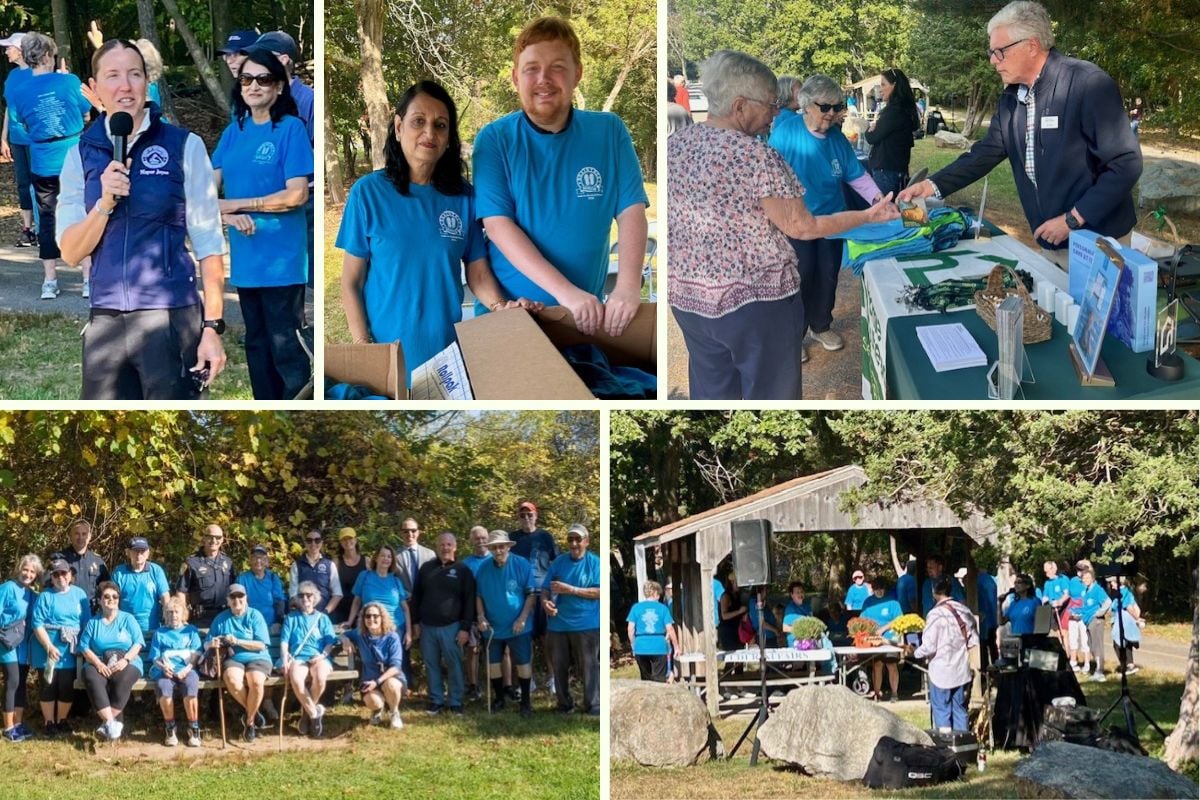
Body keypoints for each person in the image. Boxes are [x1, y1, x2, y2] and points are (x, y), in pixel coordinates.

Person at [668, 51, 897, 400]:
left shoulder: (675, 145)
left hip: (690, 302)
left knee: (714, 394)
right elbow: (801, 227)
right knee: (772, 398)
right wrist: (868, 216)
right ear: (740, 105)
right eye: (771, 103)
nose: (777, 111)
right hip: (755, 307)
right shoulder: (755, 154)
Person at [897, 1, 1141, 268]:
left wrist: (1073, 218)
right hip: (1051, 241)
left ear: (1031, 46)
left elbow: (1126, 163)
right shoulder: (1012, 98)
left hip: (1098, 242)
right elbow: (984, 153)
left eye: (999, 51)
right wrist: (932, 186)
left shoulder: (1087, 84)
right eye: (992, 52)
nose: (992, 60)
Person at [57, 39, 227, 400]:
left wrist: (212, 328)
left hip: (169, 317)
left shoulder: (185, 145)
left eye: (135, 74)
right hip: (105, 320)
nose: (125, 86)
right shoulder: (80, 154)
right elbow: (71, 252)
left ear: (147, 81)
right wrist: (104, 203)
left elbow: (210, 244)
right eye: (113, 75)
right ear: (95, 86)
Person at [338, 81, 539, 385]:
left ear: (449, 138)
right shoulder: (367, 194)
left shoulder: (465, 199)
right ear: (398, 126)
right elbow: (351, 282)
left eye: (440, 125)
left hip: (446, 361)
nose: (429, 133)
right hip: (385, 358)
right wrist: (364, 347)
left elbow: (478, 272)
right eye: (418, 121)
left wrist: (500, 307)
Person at [473, 16, 648, 337]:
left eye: (557, 67)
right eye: (531, 69)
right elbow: (497, 225)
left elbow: (632, 211)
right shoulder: (495, 140)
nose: (544, 78)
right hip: (511, 317)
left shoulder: (609, 132)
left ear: (577, 73)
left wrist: (626, 287)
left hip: (584, 320)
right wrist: (566, 292)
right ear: (515, 78)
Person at [212, 47, 311, 400]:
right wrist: (225, 214)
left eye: (264, 79)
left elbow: (297, 195)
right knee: (256, 345)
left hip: (282, 262)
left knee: (286, 347)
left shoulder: (290, 129)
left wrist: (240, 204)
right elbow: (206, 192)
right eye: (246, 79)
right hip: (246, 262)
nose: (254, 85)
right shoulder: (233, 132)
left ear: (279, 87)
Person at [769, 73, 887, 362]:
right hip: (797, 222)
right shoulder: (786, 131)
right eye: (826, 107)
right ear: (807, 104)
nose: (833, 114)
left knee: (827, 274)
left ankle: (821, 326)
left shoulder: (836, 137)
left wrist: (878, 201)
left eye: (837, 107)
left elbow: (856, 175)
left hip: (832, 220)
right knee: (800, 277)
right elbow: (768, 175)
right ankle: (793, 335)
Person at [8, 32, 91, 300]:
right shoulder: (69, 82)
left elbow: (21, 119)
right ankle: (88, 278)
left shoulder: (18, 91)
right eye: (52, 55)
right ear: (46, 56)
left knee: (47, 218)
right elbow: (86, 110)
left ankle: (50, 281)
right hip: (74, 158)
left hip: (42, 161)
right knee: (84, 214)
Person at [246, 31, 315, 290]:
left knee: (305, 274)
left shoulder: (308, 100)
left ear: (284, 59)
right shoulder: (260, 100)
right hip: (266, 202)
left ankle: (306, 325)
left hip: (301, 203)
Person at [412, 532, 475, 715]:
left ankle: (455, 701)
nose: (445, 548)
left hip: (452, 627)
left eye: (449, 544)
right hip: (427, 627)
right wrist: (416, 622)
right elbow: (416, 597)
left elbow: (469, 601)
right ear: (437, 547)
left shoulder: (463, 570)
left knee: (454, 664)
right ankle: (436, 701)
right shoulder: (426, 568)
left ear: (455, 547)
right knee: (431, 665)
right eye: (441, 544)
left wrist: (465, 628)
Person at [475, 530, 537, 716]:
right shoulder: (483, 568)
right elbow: (478, 596)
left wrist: (522, 618)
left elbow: (531, 594)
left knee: (523, 664)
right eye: (494, 547)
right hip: (492, 627)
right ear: (490, 549)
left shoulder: (521, 564)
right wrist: (480, 616)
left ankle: (525, 702)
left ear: (508, 546)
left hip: (518, 626)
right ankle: (499, 698)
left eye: (501, 546)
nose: (498, 550)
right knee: (493, 665)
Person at [542, 523, 600, 716]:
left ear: (586, 541)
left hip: (587, 624)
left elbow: (600, 592)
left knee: (589, 666)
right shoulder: (558, 562)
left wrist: (571, 590)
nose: (574, 543)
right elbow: (545, 588)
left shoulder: (595, 563)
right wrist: (545, 603)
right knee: (559, 666)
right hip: (558, 624)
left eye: (578, 539)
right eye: (570, 539)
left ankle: (592, 704)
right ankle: (564, 704)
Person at [78, 580, 144, 741]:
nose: (111, 599)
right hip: (100, 661)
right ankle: (111, 724)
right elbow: (84, 646)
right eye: (106, 596)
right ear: (100, 600)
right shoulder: (93, 622)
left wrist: (126, 660)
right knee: (91, 675)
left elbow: (138, 642)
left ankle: (106, 724)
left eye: (115, 596)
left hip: (128, 661)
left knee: (123, 678)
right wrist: (98, 663)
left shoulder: (128, 619)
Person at [206, 583, 272, 742]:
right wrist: (212, 643)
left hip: (258, 657)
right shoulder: (221, 619)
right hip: (234, 659)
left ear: (246, 598)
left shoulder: (255, 615)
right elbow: (208, 642)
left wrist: (238, 641)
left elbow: (261, 644)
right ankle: (254, 713)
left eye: (240, 596)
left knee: (256, 682)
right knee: (232, 680)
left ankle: (249, 723)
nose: (237, 600)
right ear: (227, 600)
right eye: (232, 597)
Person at [31, 558, 90, 735]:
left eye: (63, 573)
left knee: (66, 685)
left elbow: (86, 622)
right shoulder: (45, 596)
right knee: (48, 684)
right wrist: (48, 646)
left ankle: (62, 720)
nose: (60, 577)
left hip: (70, 649)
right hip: (46, 648)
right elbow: (37, 623)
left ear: (70, 575)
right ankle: (49, 722)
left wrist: (83, 646)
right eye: (55, 574)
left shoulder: (80, 594)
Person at [911, 577, 979, 730]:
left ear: (934, 593)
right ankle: (962, 747)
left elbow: (928, 647)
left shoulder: (935, 614)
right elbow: (973, 640)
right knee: (960, 710)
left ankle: (945, 748)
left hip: (941, 671)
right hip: (961, 668)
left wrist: (915, 652)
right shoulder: (964, 611)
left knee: (942, 710)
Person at [280, 581, 337, 737]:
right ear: (297, 598)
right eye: (301, 595)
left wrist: (322, 656)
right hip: (298, 657)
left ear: (315, 597)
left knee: (320, 678)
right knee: (297, 680)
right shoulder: (291, 618)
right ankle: (314, 714)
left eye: (309, 595)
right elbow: (284, 642)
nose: (305, 598)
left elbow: (330, 642)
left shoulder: (322, 618)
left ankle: (306, 714)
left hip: (319, 657)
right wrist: (285, 659)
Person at [512, 501, 558, 691]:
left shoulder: (545, 537)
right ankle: (527, 679)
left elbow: (556, 563)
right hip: (522, 595)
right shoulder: (512, 539)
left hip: (544, 594)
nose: (526, 518)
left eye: (529, 514)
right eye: (522, 515)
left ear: (536, 515)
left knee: (547, 637)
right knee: (525, 638)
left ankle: (553, 678)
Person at [148, 595, 203, 746]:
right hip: (166, 670)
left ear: (183, 613)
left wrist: (187, 670)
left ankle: (194, 728)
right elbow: (155, 657)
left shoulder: (191, 631)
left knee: (191, 686)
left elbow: (197, 654)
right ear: (165, 614)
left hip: (187, 669)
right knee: (164, 688)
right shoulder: (160, 633)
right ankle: (170, 728)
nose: (173, 615)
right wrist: (163, 667)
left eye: (176, 612)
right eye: (170, 612)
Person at [340, 601, 405, 729]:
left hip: (390, 678)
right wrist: (345, 640)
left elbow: (396, 667)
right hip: (369, 680)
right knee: (373, 701)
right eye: (368, 616)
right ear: (363, 619)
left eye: (375, 616)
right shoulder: (360, 634)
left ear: (382, 617)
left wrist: (377, 681)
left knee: (391, 685)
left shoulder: (392, 637)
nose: (371, 619)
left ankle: (394, 713)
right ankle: (377, 710)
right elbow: (340, 634)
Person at [1, 32, 37, 249]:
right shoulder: (12, 76)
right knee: (23, 184)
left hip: (36, 139)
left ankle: (46, 228)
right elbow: (9, 108)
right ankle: (27, 229)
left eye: (9, 47)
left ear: (21, 50)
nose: (6, 51)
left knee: (41, 184)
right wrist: (3, 137)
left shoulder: (38, 74)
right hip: (16, 139)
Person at [0, 554, 40, 742]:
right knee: (12, 682)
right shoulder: (7, 588)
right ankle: (8, 727)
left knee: (21, 684)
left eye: (32, 571)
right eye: (25, 569)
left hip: (24, 646)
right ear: (19, 569)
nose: (28, 574)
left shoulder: (33, 595)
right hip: (6, 644)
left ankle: (18, 724)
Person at [865, 68, 920, 198]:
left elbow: (872, 137)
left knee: (882, 212)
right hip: (897, 170)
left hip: (886, 172)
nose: (880, 88)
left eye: (883, 84)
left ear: (894, 86)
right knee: (890, 210)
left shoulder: (894, 112)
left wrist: (870, 129)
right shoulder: (905, 110)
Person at [348, 544, 411, 647]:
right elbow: (356, 602)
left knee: (396, 662)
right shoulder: (364, 576)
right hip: (371, 627)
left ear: (392, 561)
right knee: (372, 662)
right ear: (376, 558)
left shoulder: (396, 581)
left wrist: (409, 632)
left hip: (396, 629)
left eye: (389, 556)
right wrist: (349, 622)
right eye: (382, 555)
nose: (386, 559)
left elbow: (405, 609)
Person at [110, 537, 171, 636]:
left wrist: (169, 619)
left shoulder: (156, 571)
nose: (139, 555)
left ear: (148, 553)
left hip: (151, 628)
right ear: (128, 552)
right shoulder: (119, 573)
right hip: (125, 630)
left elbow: (165, 598)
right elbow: (112, 601)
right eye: (135, 551)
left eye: (142, 551)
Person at [176, 523, 234, 626]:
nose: (214, 541)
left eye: (218, 537)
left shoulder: (228, 562)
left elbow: (234, 589)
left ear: (222, 540)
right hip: (200, 618)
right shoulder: (192, 563)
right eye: (210, 537)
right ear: (204, 538)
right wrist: (183, 617)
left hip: (225, 616)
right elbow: (181, 592)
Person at [462, 525, 492, 702]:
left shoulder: (495, 559)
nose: (480, 541)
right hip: (473, 614)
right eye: (477, 538)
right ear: (471, 541)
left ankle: (502, 686)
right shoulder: (466, 564)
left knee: (499, 651)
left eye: (483, 537)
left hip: (494, 612)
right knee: (473, 650)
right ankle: (473, 686)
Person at [861, 576, 903, 702]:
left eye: (881, 589)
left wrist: (884, 629)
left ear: (885, 589)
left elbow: (899, 619)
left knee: (891, 665)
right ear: (873, 589)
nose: (879, 591)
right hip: (874, 639)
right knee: (877, 665)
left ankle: (894, 693)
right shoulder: (868, 602)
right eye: (876, 589)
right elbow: (862, 620)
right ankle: (877, 693)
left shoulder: (893, 602)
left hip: (890, 638)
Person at [626, 580, 677, 682]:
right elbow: (670, 629)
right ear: (655, 594)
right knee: (659, 679)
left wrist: (633, 644)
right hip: (659, 646)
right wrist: (676, 646)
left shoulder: (636, 608)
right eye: (659, 594)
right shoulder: (663, 609)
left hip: (641, 646)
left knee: (646, 680)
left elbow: (630, 628)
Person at [289, 529, 343, 617]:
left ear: (321, 542)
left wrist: (324, 613)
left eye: (317, 540)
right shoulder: (296, 565)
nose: (313, 544)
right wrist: (306, 612)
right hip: (303, 616)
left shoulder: (330, 565)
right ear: (305, 543)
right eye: (309, 541)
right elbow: (293, 594)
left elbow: (337, 594)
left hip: (325, 616)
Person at [55, 519, 109, 606]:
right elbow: (47, 585)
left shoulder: (98, 561)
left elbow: (106, 588)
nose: (80, 538)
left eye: (84, 534)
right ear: (70, 536)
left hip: (90, 613)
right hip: (65, 611)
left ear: (89, 537)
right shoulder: (58, 559)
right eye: (77, 534)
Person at [238, 544, 286, 633]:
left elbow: (279, 601)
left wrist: (279, 622)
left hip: (271, 627)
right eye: (255, 557)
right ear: (250, 560)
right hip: (248, 627)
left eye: (262, 558)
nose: (258, 560)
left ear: (267, 561)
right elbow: (238, 603)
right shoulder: (242, 579)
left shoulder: (273, 578)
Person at [1078, 568, 1111, 681]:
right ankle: (1097, 669)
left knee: (1098, 645)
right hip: (1087, 621)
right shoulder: (1086, 591)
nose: (1086, 580)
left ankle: (1100, 671)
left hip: (1095, 621)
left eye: (1088, 578)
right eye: (1084, 578)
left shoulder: (1097, 589)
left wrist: (1099, 613)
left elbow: (1107, 602)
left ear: (1092, 578)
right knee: (1091, 645)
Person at [332, 527, 368, 626]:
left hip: (362, 609)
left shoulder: (367, 562)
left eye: (350, 538)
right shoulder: (336, 562)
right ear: (340, 543)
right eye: (344, 539)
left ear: (355, 540)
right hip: (340, 609)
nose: (348, 541)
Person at [1108, 575, 1143, 675]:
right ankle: (1129, 665)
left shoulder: (1123, 593)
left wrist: (1137, 618)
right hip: (1122, 620)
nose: (1111, 584)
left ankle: (1126, 666)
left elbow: (1129, 607)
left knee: (1118, 644)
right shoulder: (1123, 592)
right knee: (1126, 642)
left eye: (1113, 582)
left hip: (1124, 621)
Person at [1066, 559, 1091, 671]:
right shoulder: (1073, 581)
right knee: (1073, 639)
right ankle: (1073, 661)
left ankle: (1087, 663)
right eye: (1078, 569)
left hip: (1085, 616)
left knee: (1085, 640)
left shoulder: (1090, 582)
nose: (1079, 571)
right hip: (1073, 615)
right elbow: (1069, 596)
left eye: (1081, 569)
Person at [1039, 559, 1071, 645]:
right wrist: (1044, 601)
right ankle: (1062, 652)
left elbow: (1067, 594)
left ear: (1053, 569)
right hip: (1053, 609)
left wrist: (1060, 601)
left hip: (1063, 608)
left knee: (1064, 632)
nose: (1046, 574)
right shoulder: (1047, 583)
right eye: (1045, 572)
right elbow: (1045, 596)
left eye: (1047, 571)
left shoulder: (1062, 579)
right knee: (1057, 632)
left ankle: (1068, 654)